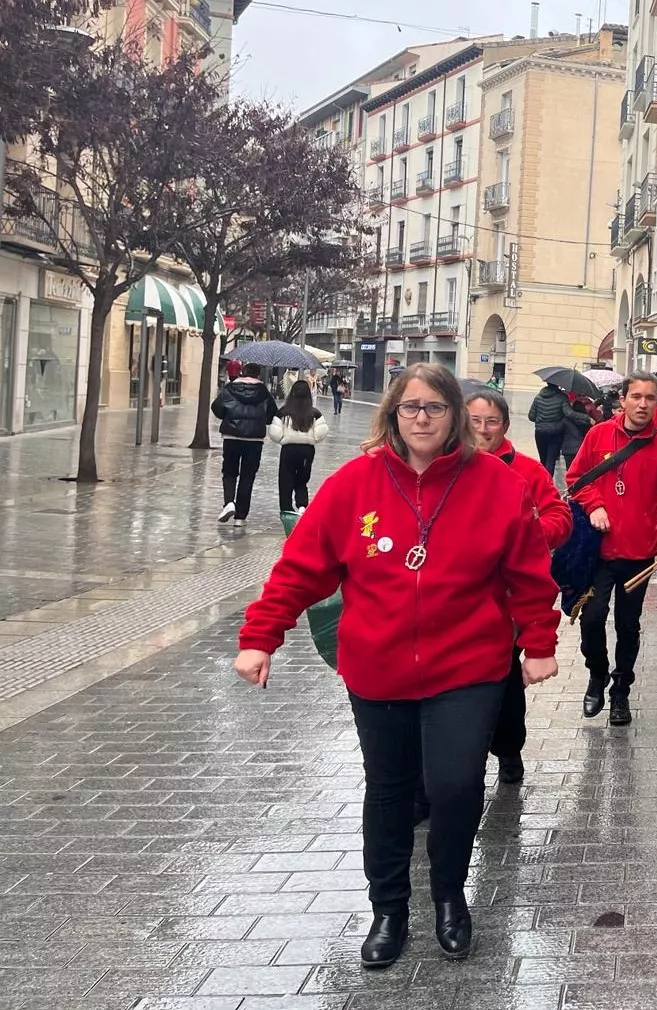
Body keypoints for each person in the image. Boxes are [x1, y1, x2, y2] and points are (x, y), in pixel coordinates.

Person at [233, 363, 561, 970]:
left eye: (435, 408)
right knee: (388, 789)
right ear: (392, 414)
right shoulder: (353, 484)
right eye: (411, 407)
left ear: (455, 417)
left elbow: (527, 571)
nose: (422, 418)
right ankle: (388, 909)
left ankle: (448, 897)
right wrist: (261, 636)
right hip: (378, 667)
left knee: (455, 785)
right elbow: (301, 568)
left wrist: (539, 640)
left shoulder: (496, 483)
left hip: (468, 666)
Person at [565, 371, 657, 726]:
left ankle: (621, 692)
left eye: (650, 398)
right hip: (599, 552)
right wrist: (595, 506)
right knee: (591, 617)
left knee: (627, 624)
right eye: (635, 396)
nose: (642, 404)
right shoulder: (598, 435)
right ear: (622, 399)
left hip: (639, 553)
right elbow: (575, 480)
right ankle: (597, 673)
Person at [466, 386, 573, 786]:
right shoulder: (446, 466)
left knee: (506, 683)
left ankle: (509, 749)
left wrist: (526, 535)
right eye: (475, 421)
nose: (483, 429)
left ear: (505, 426)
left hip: (508, 604)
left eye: (491, 421)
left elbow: (559, 518)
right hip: (459, 602)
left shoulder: (528, 471)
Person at [211, 362, 278, 527]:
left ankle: (228, 503)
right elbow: (272, 414)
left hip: (231, 436)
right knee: (248, 476)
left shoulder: (230, 388)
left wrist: (228, 416)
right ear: (258, 375)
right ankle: (240, 517)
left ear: (242, 373)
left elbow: (217, 407)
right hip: (255, 439)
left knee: (229, 471)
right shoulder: (264, 393)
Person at [269, 379, 330, 515]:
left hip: (289, 449)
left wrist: (282, 439)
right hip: (307, 450)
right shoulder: (314, 413)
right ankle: (302, 504)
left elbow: (274, 433)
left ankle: (286, 508)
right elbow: (322, 432)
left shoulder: (283, 412)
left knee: (286, 479)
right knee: (303, 478)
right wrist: (312, 439)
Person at [527, 381, 569, 478]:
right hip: (556, 433)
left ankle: (541, 482)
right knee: (551, 461)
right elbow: (568, 413)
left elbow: (531, 416)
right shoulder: (562, 397)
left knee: (543, 459)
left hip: (540, 433)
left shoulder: (538, 397)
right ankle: (547, 484)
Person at [560, 397, 595, 473]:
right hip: (580, 449)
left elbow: (560, 434)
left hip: (568, 450)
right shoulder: (587, 423)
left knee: (569, 471)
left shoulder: (565, 421)